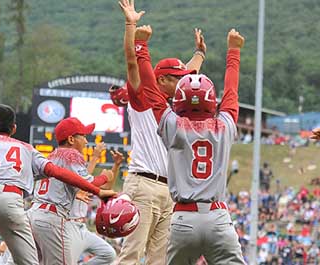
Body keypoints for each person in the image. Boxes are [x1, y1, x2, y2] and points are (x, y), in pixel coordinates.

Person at [0, 104, 116, 265]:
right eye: (83, 136)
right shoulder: (29, 149)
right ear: (13, 129)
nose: (85, 139)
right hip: (14, 205)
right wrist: (97, 189)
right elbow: (58, 173)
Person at [132, 20, 246, 263]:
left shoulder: (174, 125)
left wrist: (141, 47)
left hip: (184, 218)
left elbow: (153, 93)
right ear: (211, 100)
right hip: (217, 217)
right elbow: (231, 92)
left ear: (180, 100)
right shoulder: (224, 126)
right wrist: (233, 52)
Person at [116, 1, 206, 264]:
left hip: (169, 191)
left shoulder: (173, 105)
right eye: (178, 78)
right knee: (131, 255)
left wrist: (199, 54)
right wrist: (131, 26)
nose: (185, 82)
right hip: (143, 184)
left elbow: (192, 72)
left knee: (160, 260)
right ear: (162, 80)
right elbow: (132, 63)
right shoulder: (143, 96)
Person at [28, 117, 116, 265]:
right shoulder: (71, 154)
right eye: (83, 136)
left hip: (35, 214)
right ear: (71, 139)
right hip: (52, 218)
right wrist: (104, 177)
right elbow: (89, 183)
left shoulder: (52, 155)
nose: (86, 141)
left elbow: (78, 184)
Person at [67, 146, 124, 264]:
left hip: (82, 227)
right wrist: (95, 157)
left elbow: (106, 188)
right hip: (69, 225)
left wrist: (116, 166)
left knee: (108, 254)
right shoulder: (68, 171)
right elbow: (82, 182)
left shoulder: (83, 175)